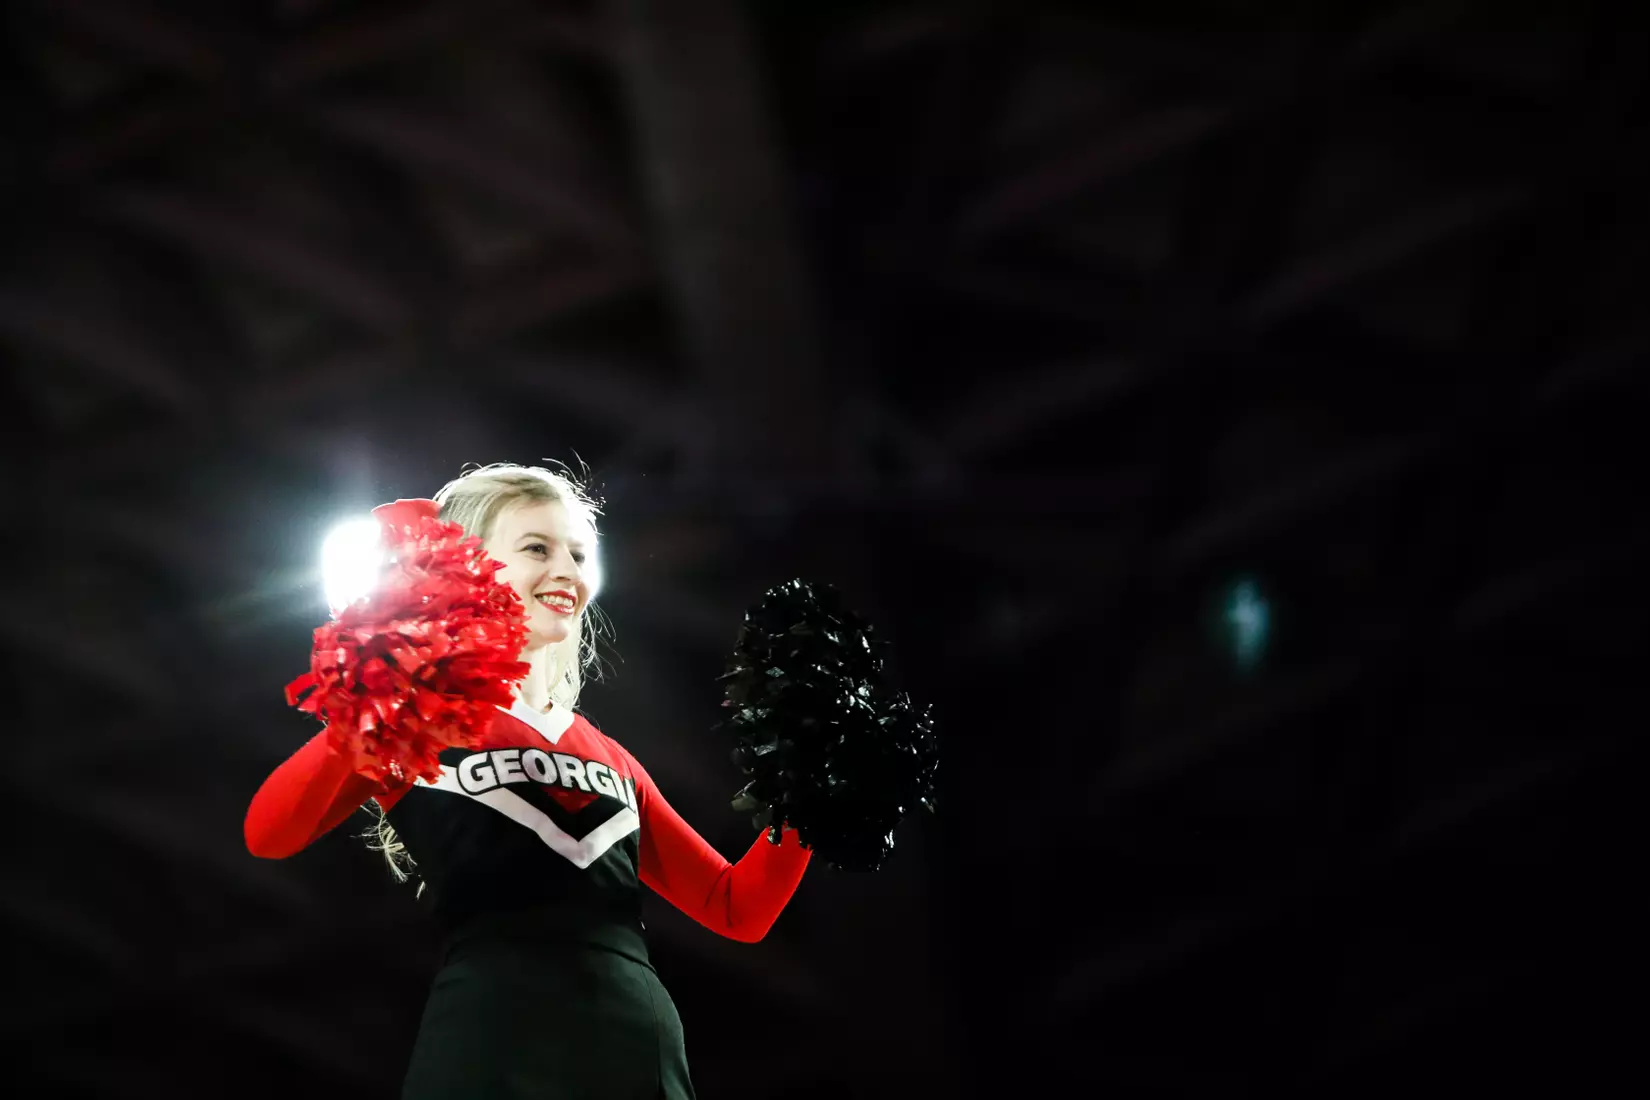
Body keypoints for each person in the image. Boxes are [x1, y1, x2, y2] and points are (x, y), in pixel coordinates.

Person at [244, 463, 812, 1100]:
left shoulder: (611, 756)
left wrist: (815, 796)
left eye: (576, 552)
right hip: (492, 1032)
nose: (567, 571)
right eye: (537, 548)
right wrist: (383, 692)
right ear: (467, 567)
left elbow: (738, 908)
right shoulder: (414, 720)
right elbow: (269, 833)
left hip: (635, 1040)